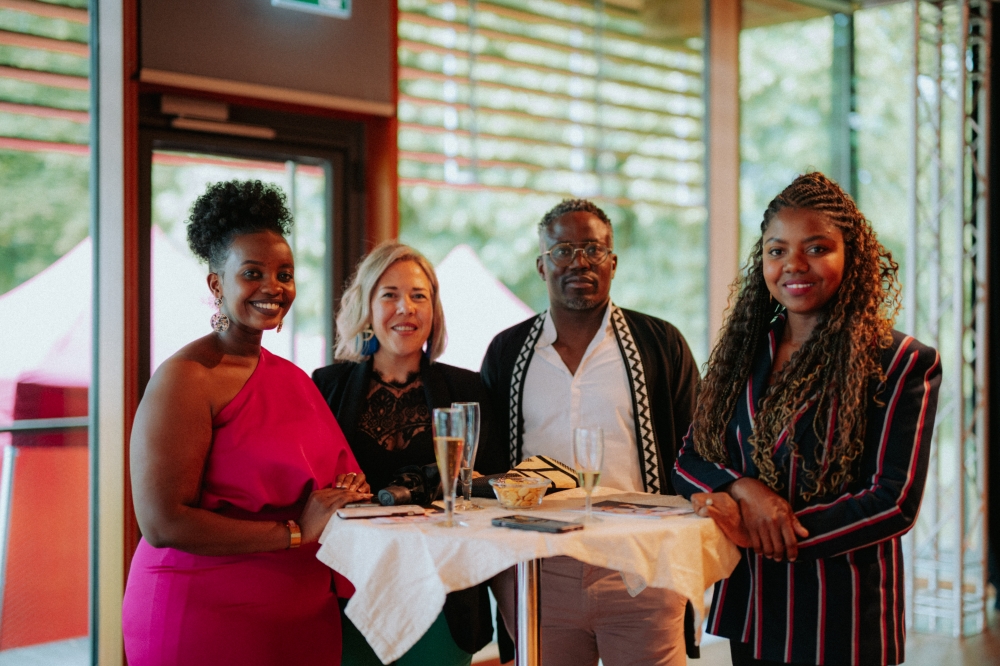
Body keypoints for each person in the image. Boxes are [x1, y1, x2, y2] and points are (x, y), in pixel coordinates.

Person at [672, 172, 942, 666]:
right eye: (777, 251)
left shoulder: (900, 361)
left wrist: (772, 532)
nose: (794, 264)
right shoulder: (742, 354)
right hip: (752, 605)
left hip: (841, 612)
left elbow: (893, 501)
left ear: (851, 256)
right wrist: (745, 492)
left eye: (817, 248)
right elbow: (690, 458)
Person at [122, 180, 372, 665]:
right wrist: (295, 532)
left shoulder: (295, 379)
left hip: (299, 618)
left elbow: (326, 482)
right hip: (203, 615)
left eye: (285, 273)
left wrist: (344, 495)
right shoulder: (187, 378)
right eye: (252, 273)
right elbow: (162, 521)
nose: (273, 287)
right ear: (217, 284)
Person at [481, 199, 700, 666]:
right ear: (541, 266)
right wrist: (504, 576)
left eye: (593, 249)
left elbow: (697, 452)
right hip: (540, 570)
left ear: (613, 263)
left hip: (641, 566)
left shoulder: (661, 344)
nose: (578, 261)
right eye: (562, 251)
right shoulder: (506, 353)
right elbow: (489, 468)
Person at [312, 242, 495, 666]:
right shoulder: (326, 385)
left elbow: (492, 483)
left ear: (434, 310)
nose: (405, 308)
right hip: (349, 588)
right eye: (389, 294)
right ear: (368, 306)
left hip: (440, 593)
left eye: (419, 295)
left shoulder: (467, 390)